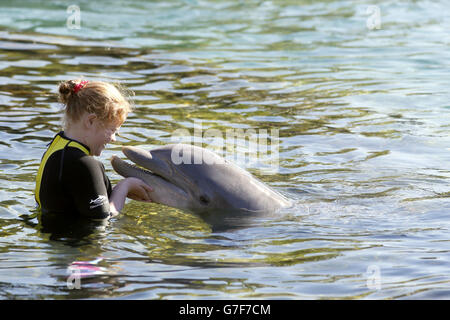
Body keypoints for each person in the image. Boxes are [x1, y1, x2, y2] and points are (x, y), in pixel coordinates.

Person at [34, 79, 153, 220]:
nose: (114, 138)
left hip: (50, 236)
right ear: (91, 121)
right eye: (112, 130)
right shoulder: (84, 164)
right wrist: (125, 186)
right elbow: (104, 218)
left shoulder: (57, 146)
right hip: (78, 241)